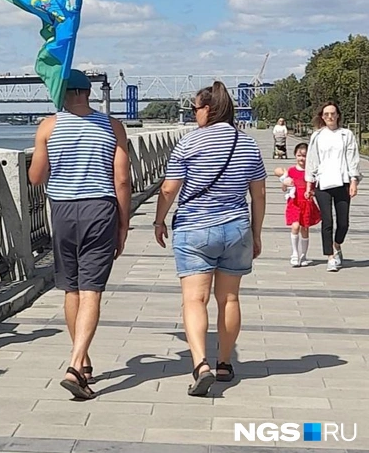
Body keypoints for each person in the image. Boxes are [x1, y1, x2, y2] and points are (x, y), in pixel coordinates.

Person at [153, 81, 266, 397]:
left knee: (194, 299)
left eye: (195, 109)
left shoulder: (188, 144)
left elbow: (168, 189)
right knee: (229, 299)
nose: (193, 115)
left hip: (195, 229)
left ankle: (201, 364)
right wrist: (256, 233)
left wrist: (159, 220)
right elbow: (258, 194)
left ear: (209, 109)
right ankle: (225, 364)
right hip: (236, 229)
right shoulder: (247, 144)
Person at [28, 69, 131, 400]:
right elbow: (122, 181)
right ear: (87, 93)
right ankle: (75, 365)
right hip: (99, 209)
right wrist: (123, 223)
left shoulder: (48, 126)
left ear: (61, 93)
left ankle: (82, 361)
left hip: (62, 210)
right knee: (91, 292)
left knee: (71, 290)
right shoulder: (113, 127)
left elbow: (35, 177)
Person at [305, 102, 361, 272]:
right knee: (327, 221)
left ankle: (337, 245)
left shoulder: (346, 135)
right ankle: (330, 256)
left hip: (342, 181)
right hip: (323, 183)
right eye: (326, 114)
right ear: (322, 116)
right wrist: (309, 185)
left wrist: (353, 181)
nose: (330, 117)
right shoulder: (317, 136)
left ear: (338, 115)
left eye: (333, 113)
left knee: (343, 223)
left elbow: (353, 158)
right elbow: (312, 161)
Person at [274, 144, 321, 267]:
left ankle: (303, 255)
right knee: (295, 226)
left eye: (304, 156)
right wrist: (284, 183)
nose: (301, 158)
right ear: (295, 155)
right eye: (299, 155)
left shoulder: (312, 172)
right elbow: (284, 188)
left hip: (307, 204)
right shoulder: (291, 171)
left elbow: (315, 189)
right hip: (294, 203)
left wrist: (311, 192)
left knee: (305, 229)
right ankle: (294, 253)